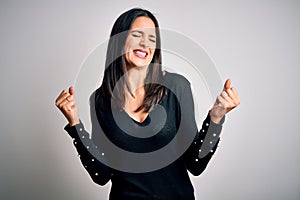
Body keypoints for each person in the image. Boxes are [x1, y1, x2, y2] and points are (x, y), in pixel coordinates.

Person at [55, 8, 240, 200]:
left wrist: (216, 118)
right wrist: (75, 124)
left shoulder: (177, 86)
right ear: (119, 41)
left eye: (152, 39)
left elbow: (195, 164)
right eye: (137, 35)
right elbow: (101, 175)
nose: (145, 43)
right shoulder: (100, 100)